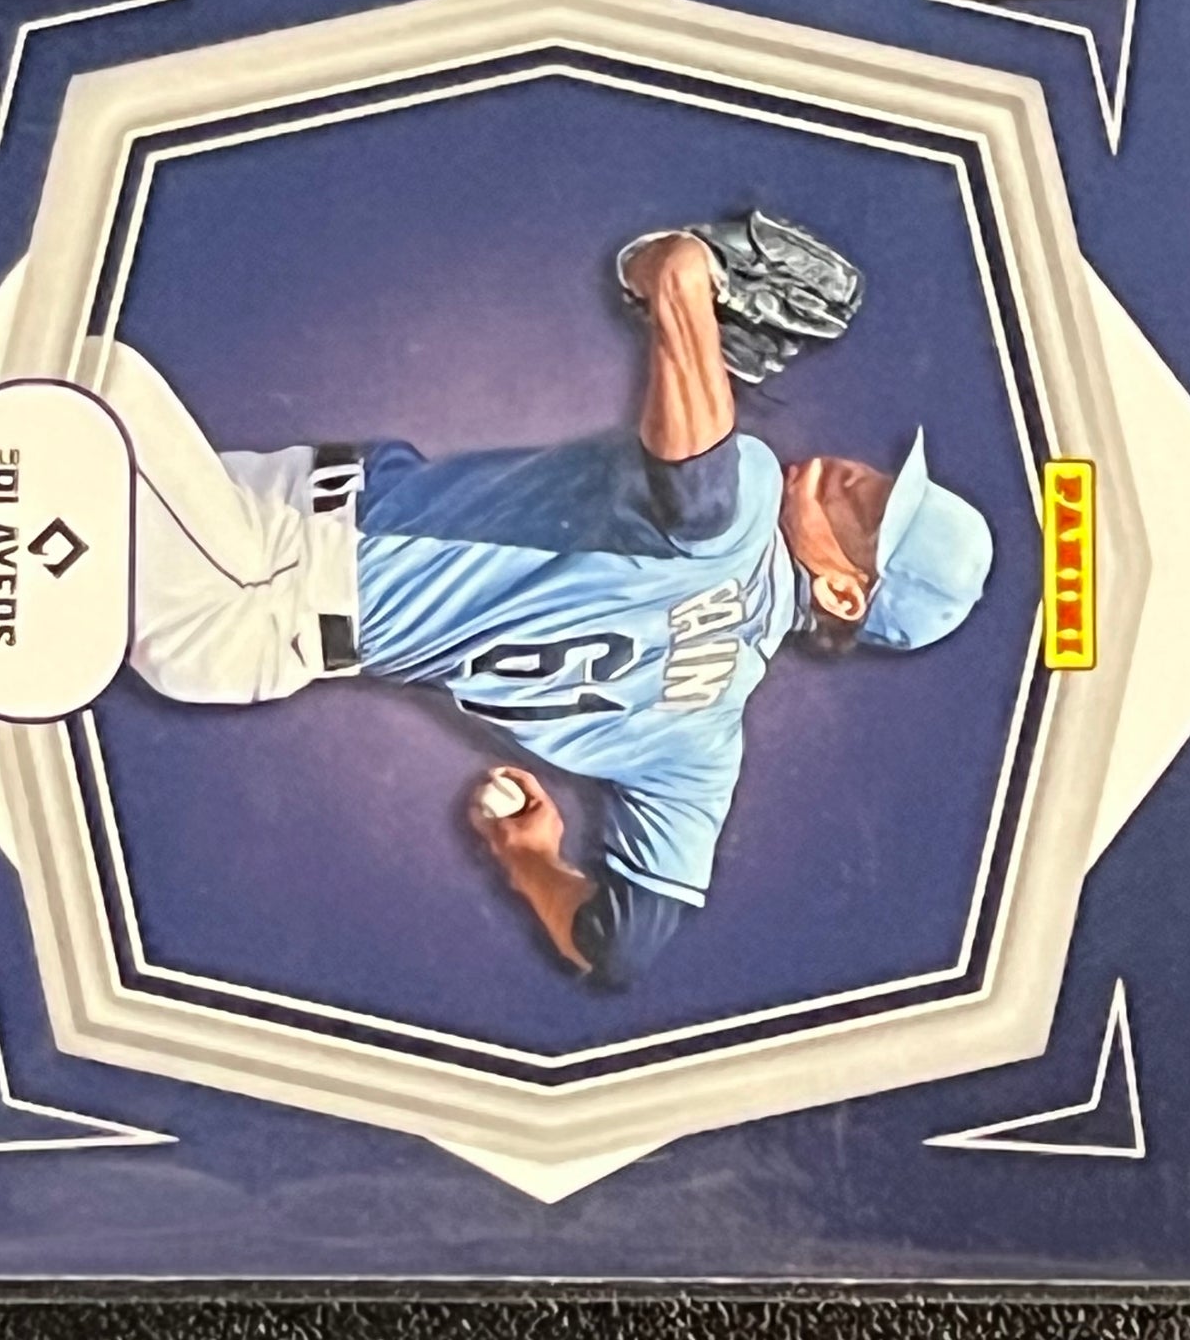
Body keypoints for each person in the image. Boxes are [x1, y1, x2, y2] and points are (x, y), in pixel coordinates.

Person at [107, 229, 994, 989]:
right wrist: (530, 860)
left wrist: (686, 277)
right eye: (878, 477)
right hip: (254, 615)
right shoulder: (697, 750)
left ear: (843, 591)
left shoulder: (752, 500)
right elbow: (622, 944)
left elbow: (698, 488)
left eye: (869, 509)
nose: (850, 476)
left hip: (254, 574)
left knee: (89, 391)